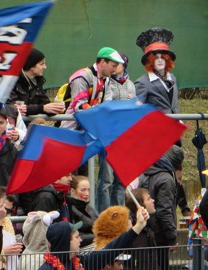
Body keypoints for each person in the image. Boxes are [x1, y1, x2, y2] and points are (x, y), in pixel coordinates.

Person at [97, 52, 135, 212]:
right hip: (108, 137)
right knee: (106, 179)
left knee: (121, 180)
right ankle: (104, 214)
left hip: (125, 138)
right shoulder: (105, 83)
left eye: (117, 64)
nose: (114, 67)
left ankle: (119, 214)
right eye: (112, 64)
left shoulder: (131, 84)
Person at [138, 145, 183, 270]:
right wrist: (172, 238)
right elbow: (164, 211)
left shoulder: (146, 172)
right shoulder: (166, 179)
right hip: (160, 234)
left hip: (145, 230)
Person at [60, 47, 124, 130]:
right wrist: (101, 111)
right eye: (113, 66)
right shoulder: (82, 76)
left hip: (91, 130)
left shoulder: (106, 80)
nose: (115, 70)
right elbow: (79, 107)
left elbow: (107, 105)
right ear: (103, 62)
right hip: (71, 130)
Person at [7, 48, 65, 117]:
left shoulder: (37, 82)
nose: (45, 67)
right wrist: (42, 108)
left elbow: (46, 106)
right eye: (41, 64)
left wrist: (56, 109)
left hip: (27, 126)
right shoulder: (10, 82)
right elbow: (14, 108)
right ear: (31, 66)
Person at [135, 28, 178, 115]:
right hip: (156, 126)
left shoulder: (172, 78)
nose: (160, 60)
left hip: (174, 124)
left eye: (162, 57)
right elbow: (137, 110)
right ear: (150, 61)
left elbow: (173, 105)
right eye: (156, 58)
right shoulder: (142, 83)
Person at [67, 175, 98, 247]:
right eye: (83, 190)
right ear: (72, 191)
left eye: (88, 190)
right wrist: (95, 238)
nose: (87, 193)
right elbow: (73, 235)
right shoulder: (70, 209)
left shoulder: (89, 208)